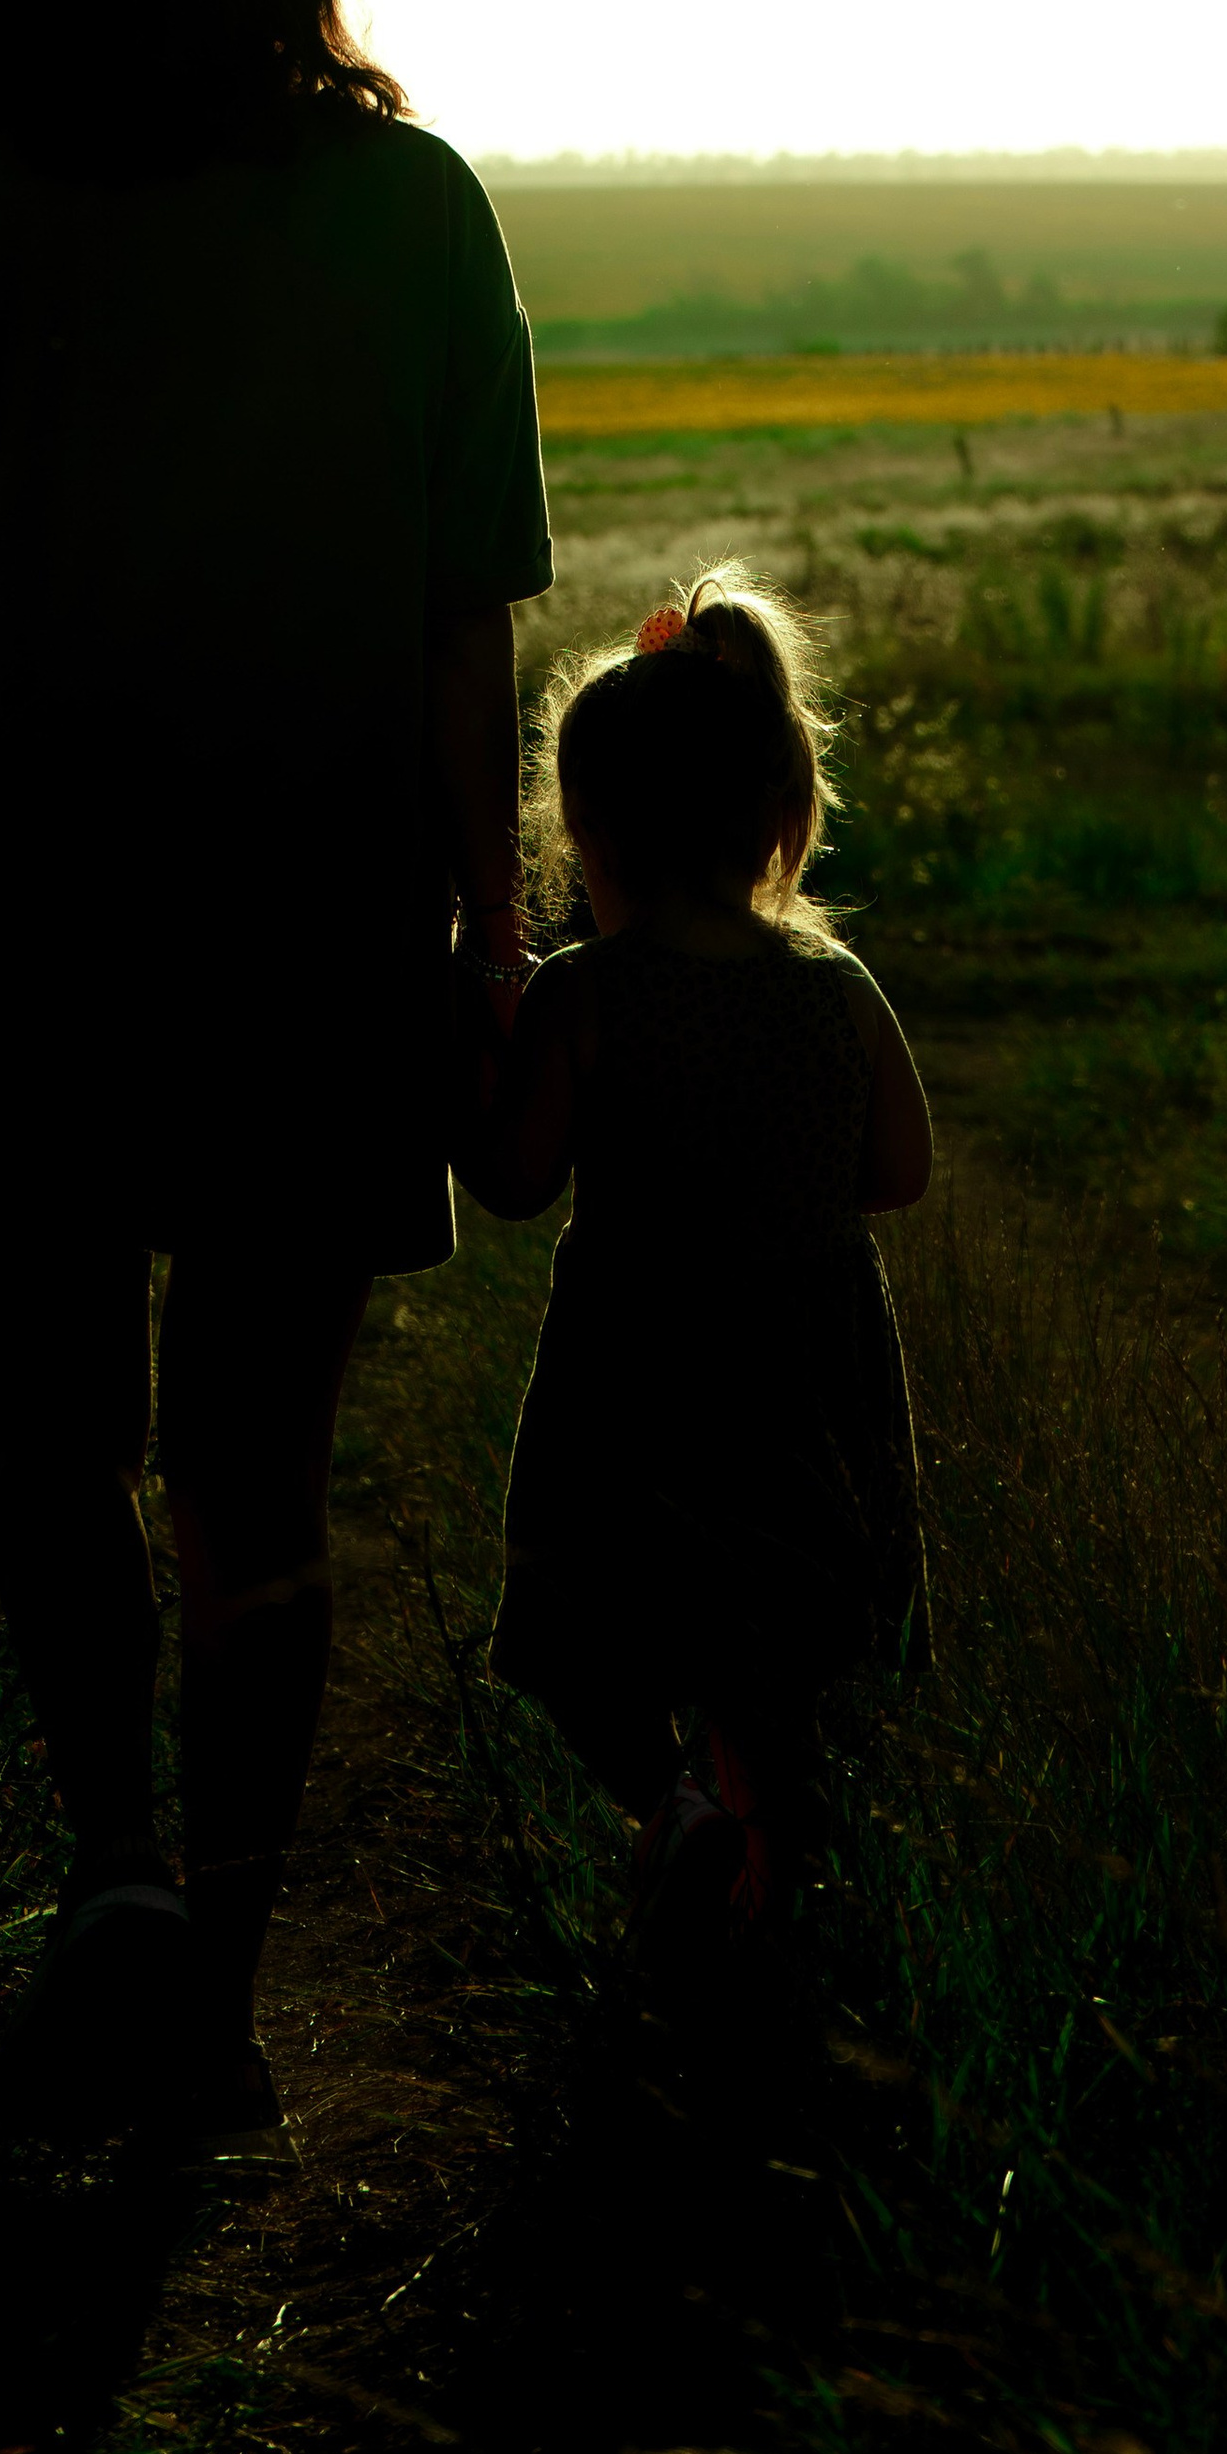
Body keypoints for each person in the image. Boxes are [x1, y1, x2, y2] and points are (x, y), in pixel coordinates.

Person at [0, 0, 552, 2150]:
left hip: (28, 925)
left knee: (50, 1452)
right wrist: (491, 940)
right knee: (255, 1473)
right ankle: (214, 1977)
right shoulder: (416, 210)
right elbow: (474, 630)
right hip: (309, 941)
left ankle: (109, 1871)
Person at [453, 563, 933, 1973]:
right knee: (780, 1660)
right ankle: (777, 1934)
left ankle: (667, 1808)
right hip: (805, 1378)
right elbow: (899, 1172)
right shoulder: (832, 987)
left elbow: (519, 1180)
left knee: (597, 1646)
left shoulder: (585, 997)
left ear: (588, 833)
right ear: (780, 815)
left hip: (635, 1382)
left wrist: (455, 1049)